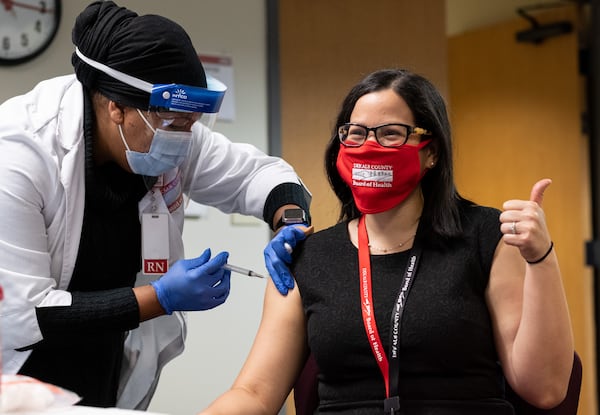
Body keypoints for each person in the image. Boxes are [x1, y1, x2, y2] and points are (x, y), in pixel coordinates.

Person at [199, 68, 574, 415]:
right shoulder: (308, 257)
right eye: (355, 133)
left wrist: (541, 258)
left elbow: (544, 388)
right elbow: (254, 393)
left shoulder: (485, 235)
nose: (368, 146)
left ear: (431, 151)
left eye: (390, 133)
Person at [0, 0, 311, 410]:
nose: (184, 136)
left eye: (191, 123)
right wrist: (161, 297)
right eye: (174, 123)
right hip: (19, 375)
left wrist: (288, 221)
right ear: (117, 108)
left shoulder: (166, 133)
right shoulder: (20, 153)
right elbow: (25, 318)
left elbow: (262, 174)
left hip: (105, 366)